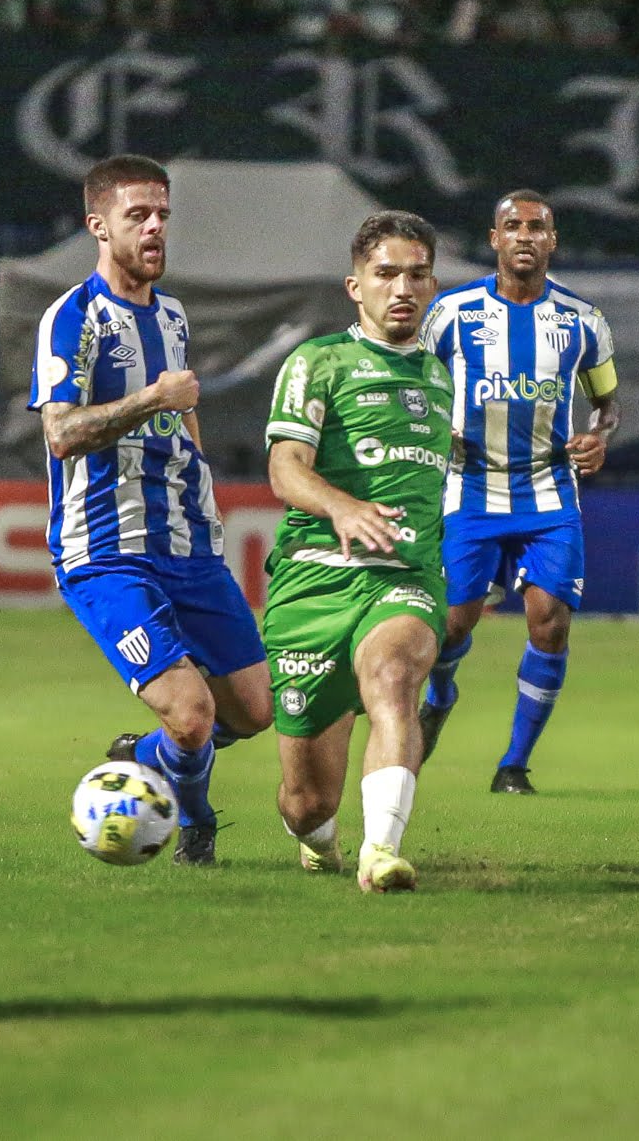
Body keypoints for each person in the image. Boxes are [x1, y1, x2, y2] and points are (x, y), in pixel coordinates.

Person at [31, 154, 273, 866]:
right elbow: (61, 432)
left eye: (162, 213)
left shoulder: (171, 313)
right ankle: (196, 826)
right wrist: (149, 400)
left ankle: (141, 755)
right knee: (195, 714)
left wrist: (202, 486)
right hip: (106, 551)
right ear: (97, 226)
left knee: (253, 711)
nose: (155, 227)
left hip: (188, 546)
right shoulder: (72, 317)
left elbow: (184, 408)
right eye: (138, 214)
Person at [262, 213, 453, 892]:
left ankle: (382, 850)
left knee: (395, 676)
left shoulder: (446, 376)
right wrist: (343, 506)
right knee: (308, 800)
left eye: (417, 273)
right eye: (386, 273)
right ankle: (319, 840)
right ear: (355, 285)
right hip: (313, 581)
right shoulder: (319, 363)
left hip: (404, 577)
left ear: (432, 283)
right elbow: (285, 467)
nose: (403, 286)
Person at [414, 190, 621, 794]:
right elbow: (414, 384)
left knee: (549, 624)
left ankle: (514, 765)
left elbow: (606, 403)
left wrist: (598, 437)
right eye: (513, 226)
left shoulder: (582, 322)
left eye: (537, 227)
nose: (525, 236)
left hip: (549, 493)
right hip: (469, 491)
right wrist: (433, 426)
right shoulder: (450, 313)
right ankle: (441, 693)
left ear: (552, 241)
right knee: (451, 625)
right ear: (494, 238)